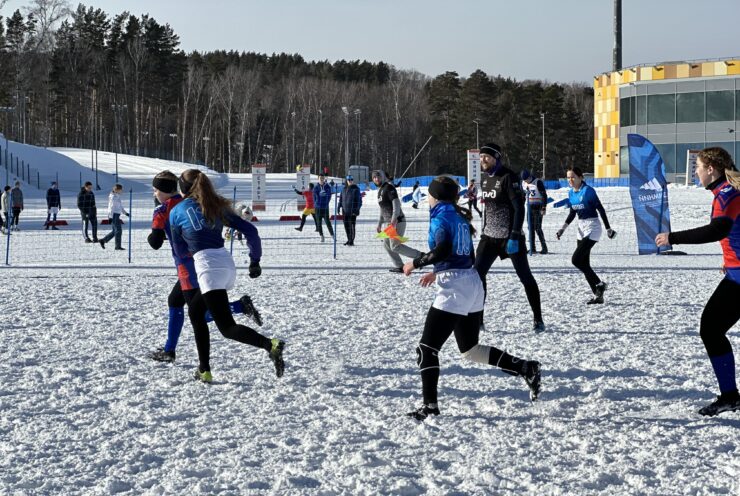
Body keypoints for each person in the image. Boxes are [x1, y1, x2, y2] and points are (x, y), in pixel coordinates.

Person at [402, 175, 541, 421]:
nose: (428, 199)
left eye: (430, 194)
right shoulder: (458, 216)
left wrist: (415, 263)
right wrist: (438, 271)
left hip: (456, 287)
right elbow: (460, 254)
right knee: (470, 350)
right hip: (472, 281)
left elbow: (443, 249)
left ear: (435, 196)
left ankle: (430, 407)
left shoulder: (441, 217)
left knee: (426, 349)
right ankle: (525, 367)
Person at [169, 168, 285, 382]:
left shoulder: (176, 212)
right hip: (225, 264)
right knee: (196, 312)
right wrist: (255, 261)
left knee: (227, 327)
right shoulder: (217, 206)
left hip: (207, 267)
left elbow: (178, 252)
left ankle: (271, 345)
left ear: (182, 189)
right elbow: (251, 231)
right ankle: (204, 370)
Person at [656, 147, 740, 417]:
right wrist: (728, 259)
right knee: (712, 328)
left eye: (698, 167)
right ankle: (730, 396)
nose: (695, 172)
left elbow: (719, 229)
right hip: (735, 272)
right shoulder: (726, 192)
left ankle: (730, 396)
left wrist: (673, 238)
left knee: (711, 328)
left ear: (711, 170)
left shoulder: (727, 194)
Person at [147, 171, 262, 363]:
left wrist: (155, 228)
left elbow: (155, 242)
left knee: (199, 312)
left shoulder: (163, 210)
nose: (154, 193)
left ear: (163, 191)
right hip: (210, 261)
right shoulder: (198, 200)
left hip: (189, 266)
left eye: (155, 190)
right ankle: (169, 349)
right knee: (175, 301)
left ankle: (238, 306)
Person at [474, 143, 545, 333]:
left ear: (496, 158)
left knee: (525, 277)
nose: (483, 161)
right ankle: (478, 319)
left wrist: (514, 235)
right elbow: (488, 209)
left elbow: (519, 208)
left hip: (510, 238)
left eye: (487, 157)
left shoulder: (508, 177)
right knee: (476, 275)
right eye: (481, 157)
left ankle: (538, 319)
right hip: (489, 238)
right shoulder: (485, 178)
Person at [556, 166, 616, 304]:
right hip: (581, 228)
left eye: (573, 177)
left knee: (576, 260)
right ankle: (598, 295)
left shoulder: (588, 191)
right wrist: (562, 229)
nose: (570, 180)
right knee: (584, 264)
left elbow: (600, 208)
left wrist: (608, 228)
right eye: (568, 177)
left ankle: (599, 284)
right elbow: (572, 213)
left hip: (593, 227)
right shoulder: (571, 193)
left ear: (580, 177)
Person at [373, 169, 422, 273]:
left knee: (395, 246)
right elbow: (383, 210)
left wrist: (394, 219)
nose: (376, 179)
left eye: (378, 176)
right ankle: (400, 266)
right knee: (386, 244)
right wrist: (379, 224)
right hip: (389, 223)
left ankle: (421, 257)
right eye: (374, 177)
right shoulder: (380, 191)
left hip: (397, 221)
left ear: (382, 177)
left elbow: (396, 204)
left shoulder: (389, 187)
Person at [521, 170, 548, 255]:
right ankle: (532, 248)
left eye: (527, 179)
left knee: (537, 227)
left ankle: (544, 247)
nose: (526, 181)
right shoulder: (523, 183)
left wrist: (544, 207)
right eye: (524, 180)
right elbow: (523, 195)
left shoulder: (537, 182)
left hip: (538, 206)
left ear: (530, 177)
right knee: (530, 228)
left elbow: (544, 195)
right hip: (529, 207)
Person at [98, 184, 129, 250]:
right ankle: (117, 246)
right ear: (117, 190)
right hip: (114, 215)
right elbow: (111, 208)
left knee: (115, 231)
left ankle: (103, 240)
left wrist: (125, 213)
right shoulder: (113, 197)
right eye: (121, 190)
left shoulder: (117, 196)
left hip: (116, 215)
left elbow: (120, 207)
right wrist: (110, 217)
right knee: (118, 231)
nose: (122, 191)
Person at [340, 175, 362, 246]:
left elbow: (359, 201)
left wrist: (356, 210)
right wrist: (339, 206)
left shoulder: (356, 189)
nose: (350, 181)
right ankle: (349, 239)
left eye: (351, 179)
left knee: (351, 226)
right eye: (349, 180)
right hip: (345, 211)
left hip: (352, 211)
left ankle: (351, 240)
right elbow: (341, 198)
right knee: (346, 226)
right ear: (346, 181)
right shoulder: (344, 189)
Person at [313, 173, 334, 242]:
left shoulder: (327, 186)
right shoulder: (316, 187)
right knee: (319, 222)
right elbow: (314, 197)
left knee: (327, 221)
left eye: (322, 178)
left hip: (325, 207)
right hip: (318, 207)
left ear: (324, 179)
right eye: (320, 178)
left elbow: (329, 195)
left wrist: (326, 202)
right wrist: (317, 202)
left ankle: (332, 235)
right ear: (318, 179)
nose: (321, 179)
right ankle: (321, 235)